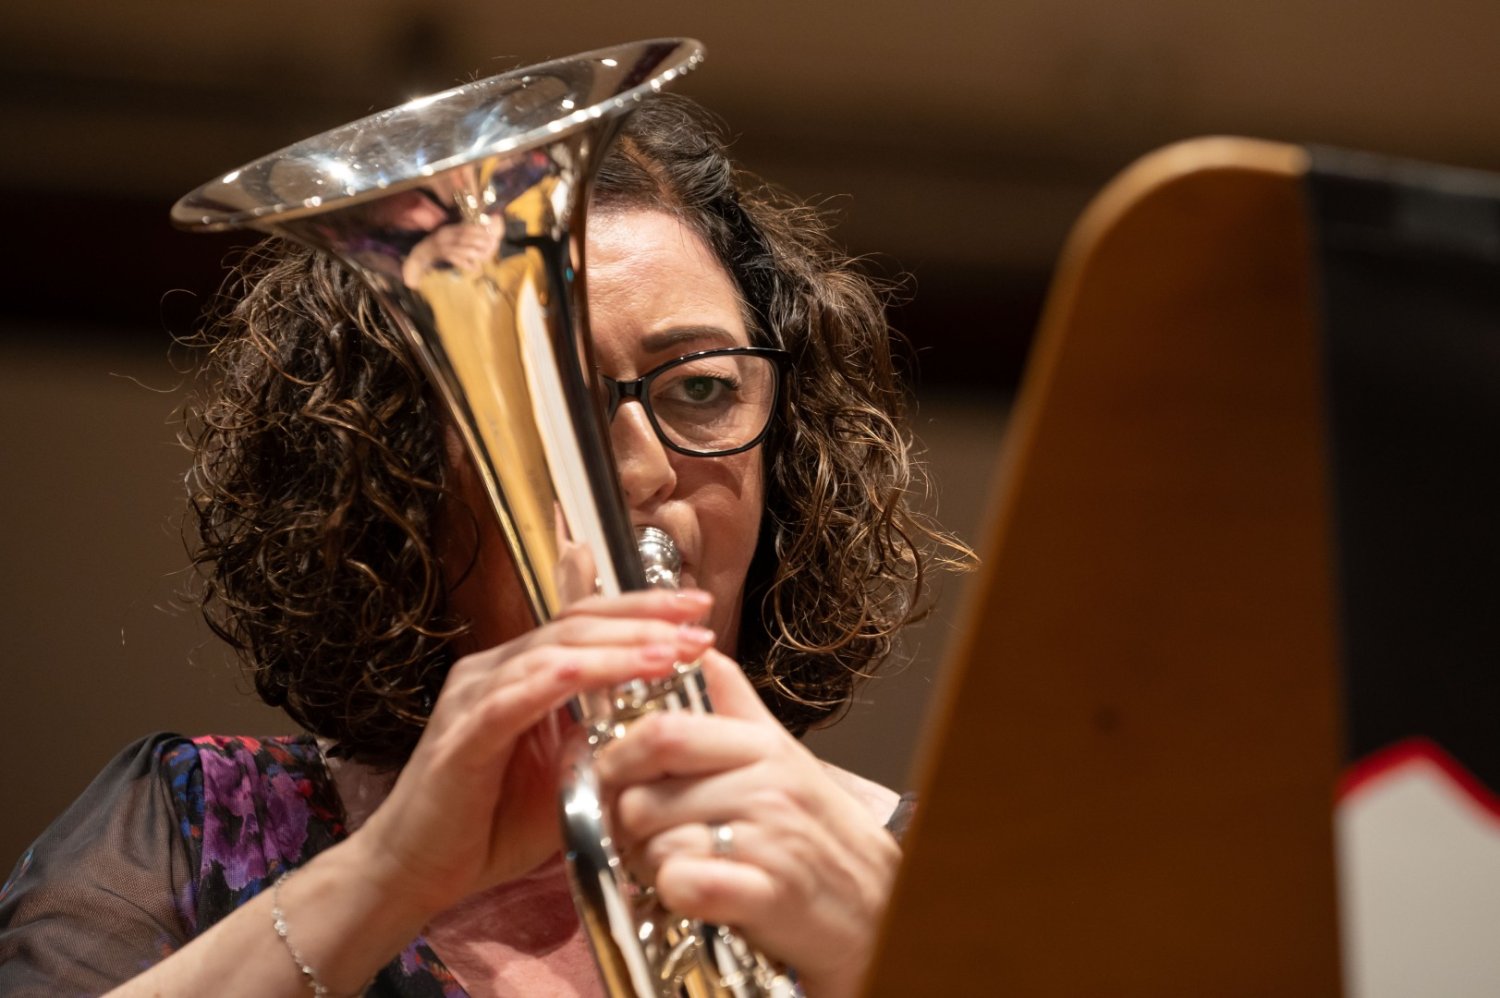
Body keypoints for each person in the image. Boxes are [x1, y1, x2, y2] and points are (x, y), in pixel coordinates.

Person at [0, 93, 967, 997]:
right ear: (393, 472)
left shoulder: (931, 872)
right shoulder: (192, 830)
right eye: (546, 406)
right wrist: (388, 874)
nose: (639, 471)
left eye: (702, 388)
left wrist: (887, 945)